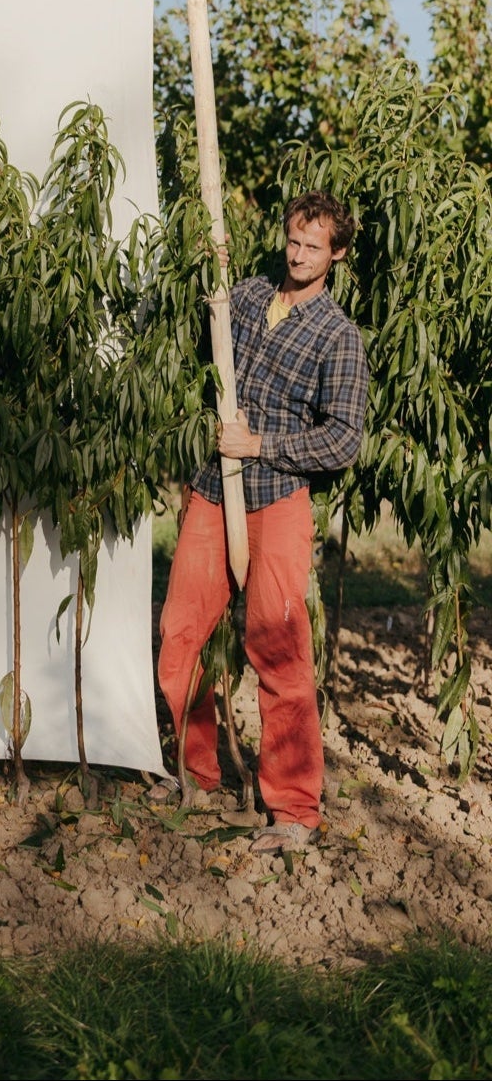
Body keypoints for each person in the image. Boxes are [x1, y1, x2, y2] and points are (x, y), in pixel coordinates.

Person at [156, 190, 368, 853]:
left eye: (314, 246)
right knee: (180, 634)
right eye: (293, 241)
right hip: (211, 492)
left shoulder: (338, 336)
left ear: (337, 254)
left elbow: (343, 439)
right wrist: (205, 270)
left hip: (277, 499)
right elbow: (197, 332)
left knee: (278, 647)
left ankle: (295, 810)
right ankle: (196, 772)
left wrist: (261, 445)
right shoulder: (244, 298)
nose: (299, 255)